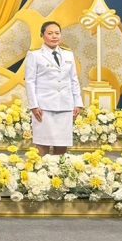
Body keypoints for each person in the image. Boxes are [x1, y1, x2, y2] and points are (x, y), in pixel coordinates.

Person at [24, 20, 82, 155]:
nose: (54, 36)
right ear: (42, 35)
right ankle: (40, 169)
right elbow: (30, 82)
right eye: (50, 33)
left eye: (57, 33)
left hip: (65, 105)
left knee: (61, 146)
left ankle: (59, 169)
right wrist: (34, 105)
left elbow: (74, 80)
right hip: (43, 107)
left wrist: (78, 103)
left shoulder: (68, 54)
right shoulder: (35, 55)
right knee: (42, 145)